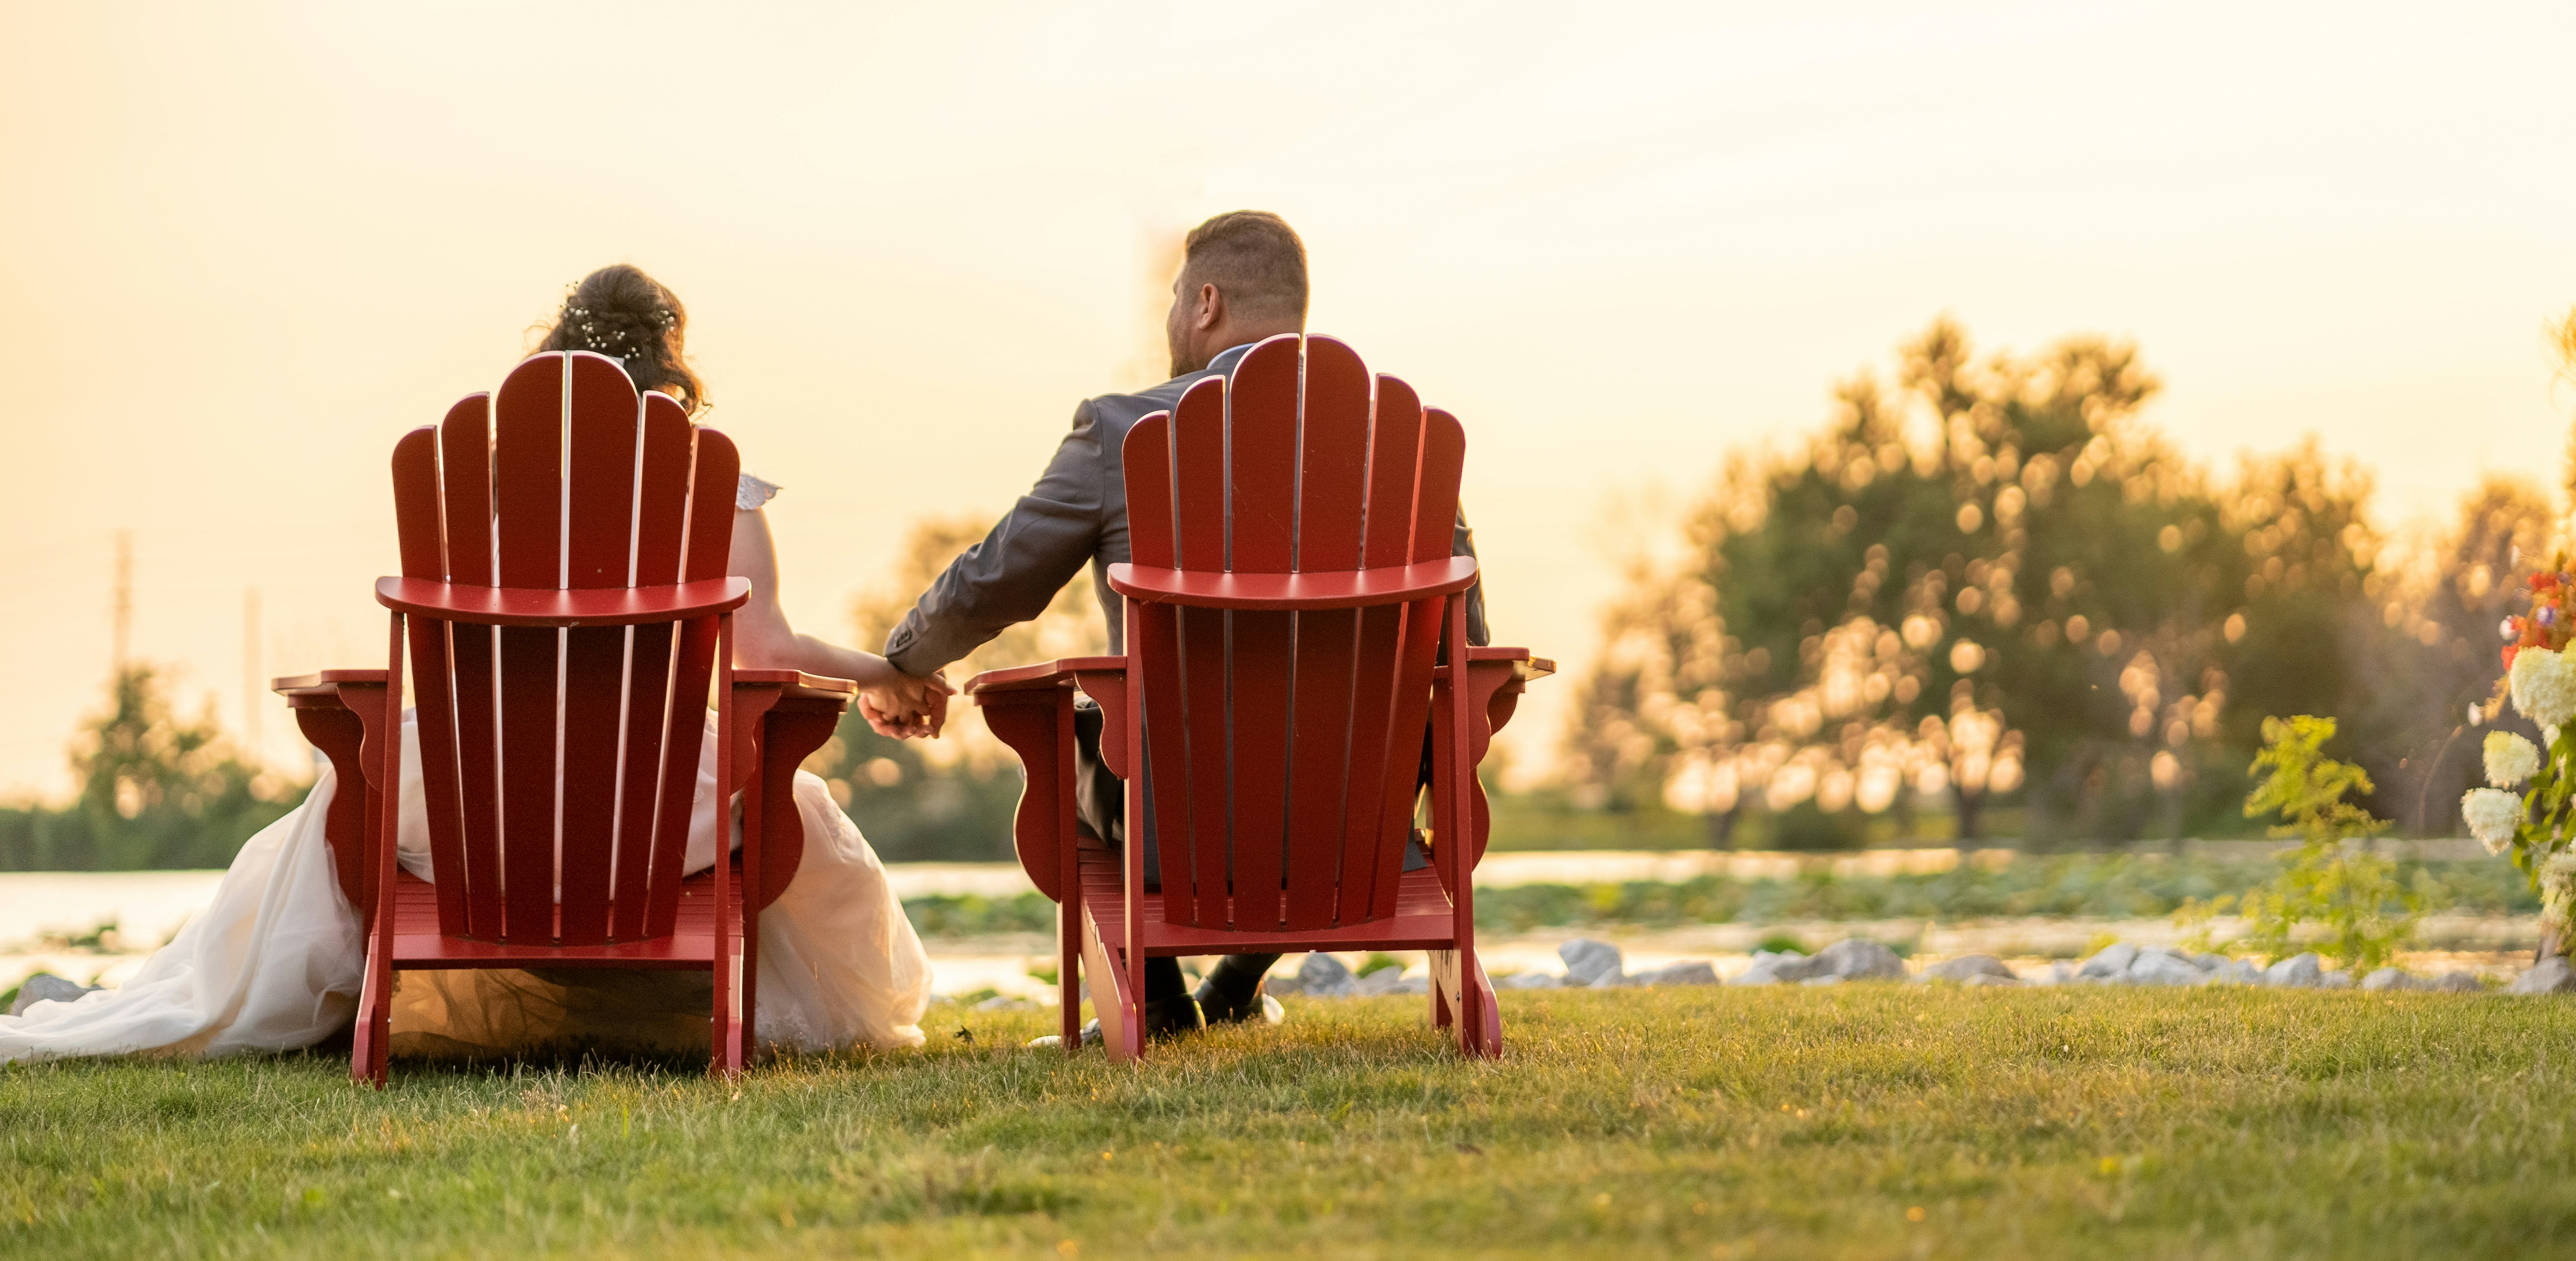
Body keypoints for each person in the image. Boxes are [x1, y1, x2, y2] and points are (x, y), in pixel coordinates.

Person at [0, 266, 939, 1064]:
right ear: (671, 360)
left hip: (473, 790)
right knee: (792, 807)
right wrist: (883, 668)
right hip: (660, 803)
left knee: (334, 803)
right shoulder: (716, 477)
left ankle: (288, 998)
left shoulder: (491, 477)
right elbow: (768, 651)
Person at [867, 211, 1485, 1040]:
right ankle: (1234, 987)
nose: (1167, 322)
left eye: (1170, 301)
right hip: (1361, 832)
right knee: (1350, 747)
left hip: (1174, 827)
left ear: (1205, 302)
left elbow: (993, 585)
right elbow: (1471, 648)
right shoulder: (1405, 447)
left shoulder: (1123, 431)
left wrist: (899, 662)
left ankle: (1157, 1008)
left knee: (1070, 747)